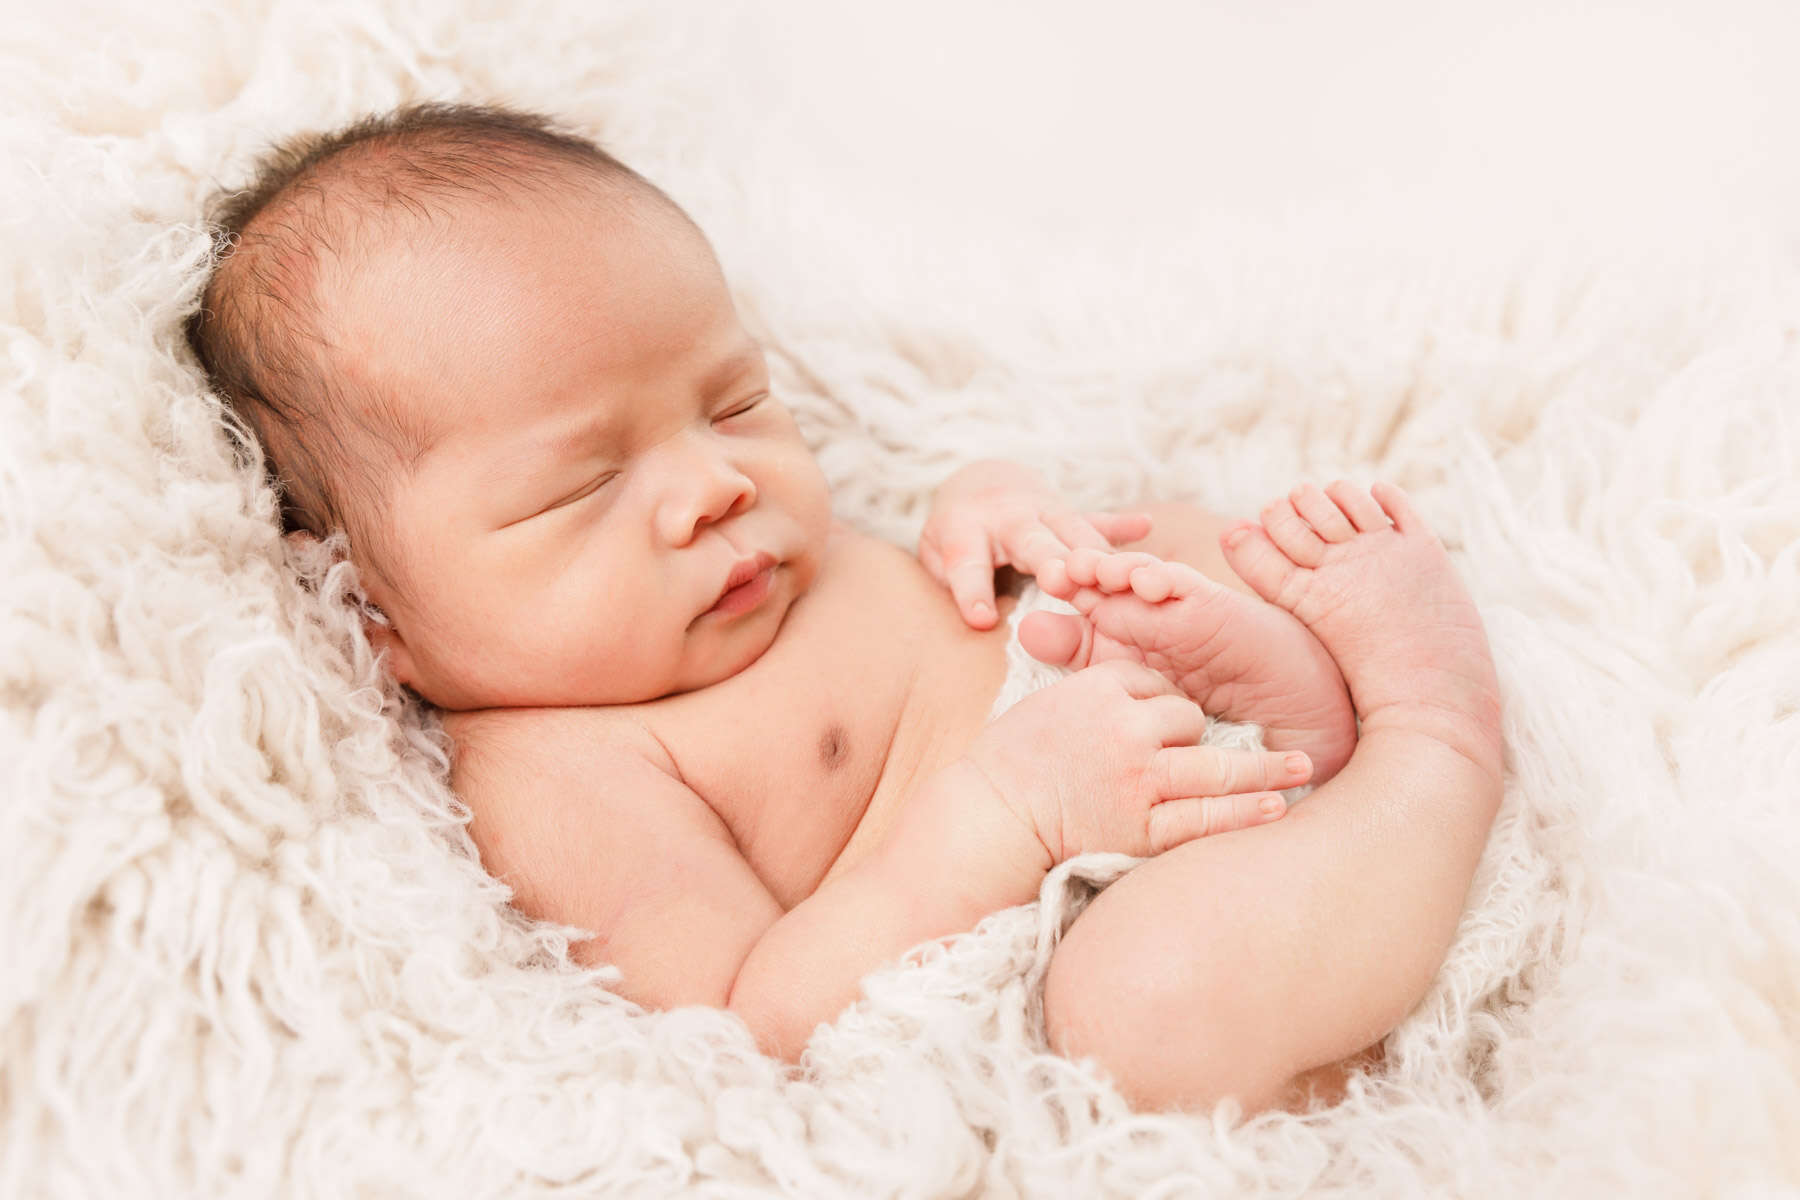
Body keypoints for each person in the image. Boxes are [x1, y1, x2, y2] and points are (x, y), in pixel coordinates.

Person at [185, 102, 1504, 1114]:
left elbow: (946, 601)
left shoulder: (761, 565)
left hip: (1125, 708)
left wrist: (994, 518)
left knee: (1150, 540)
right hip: (1081, 874)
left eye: (735, 404)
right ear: (375, 617)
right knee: (1132, 1016)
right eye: (582, 484)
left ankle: (1295, 689)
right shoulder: (553, 769)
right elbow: (755, 1024)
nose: (714, 485)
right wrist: (1007, 810)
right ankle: (1429, 735)